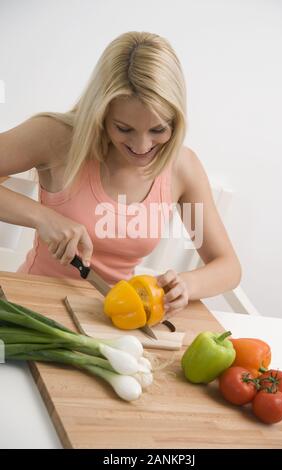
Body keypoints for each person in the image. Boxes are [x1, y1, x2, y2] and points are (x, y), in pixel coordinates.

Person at [0, 31, 241, 318]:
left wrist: (187, 284)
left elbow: (227, 265)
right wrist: (42, 217)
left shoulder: (181, 167)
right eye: (124, 129)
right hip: (31, 309)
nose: (142, 147)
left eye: (158, 130)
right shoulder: (57, 137)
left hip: (115, 318)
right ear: (100, 113)